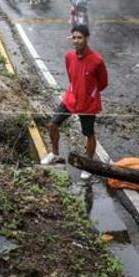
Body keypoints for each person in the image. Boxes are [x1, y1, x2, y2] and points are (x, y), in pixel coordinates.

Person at [40, 24, 108, 181]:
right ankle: (55, 154)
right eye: (74, 38)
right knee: (52, 124)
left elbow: (103, 83)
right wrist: (75, 89)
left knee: (89, 134)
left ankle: (88, 164)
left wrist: (89, 92)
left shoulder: (97, 60)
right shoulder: (69, 56)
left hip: (88, 103)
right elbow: (72, 76)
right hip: (71, 98)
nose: (76, 41)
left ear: (86, 39)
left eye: (80, 38)